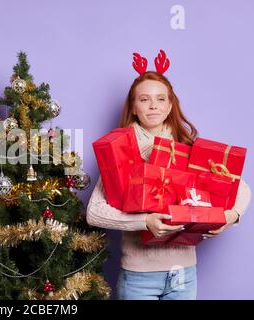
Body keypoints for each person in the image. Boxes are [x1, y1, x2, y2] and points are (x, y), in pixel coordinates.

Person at [86, 50, 251, 300]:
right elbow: (95, 212)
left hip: (184, 274)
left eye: (161, 99)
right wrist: (144, 222)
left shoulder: (188, 148)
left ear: (170, 105)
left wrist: (230, 216)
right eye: (144, 99)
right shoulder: (121, 151)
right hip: (139, 277)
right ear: (133, 107)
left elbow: (240, 188)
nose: (153, 105)